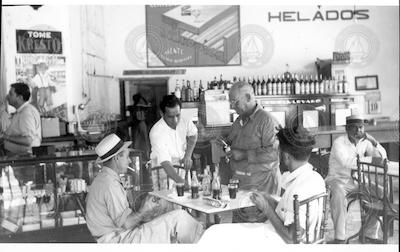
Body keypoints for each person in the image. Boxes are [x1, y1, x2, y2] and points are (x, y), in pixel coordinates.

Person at [199, 126, 326, 244]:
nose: (277, 155)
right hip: (291, 236)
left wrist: (266, 208)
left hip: (281, 241)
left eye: (279, 151)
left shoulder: (300, 189)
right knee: (218, 232)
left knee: (214, 232)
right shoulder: (315, 178)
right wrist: (269, 199)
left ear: (286, 156)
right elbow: (291, 211)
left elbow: (292, 238)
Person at [85, 133, 204, 243]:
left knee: (166, 214)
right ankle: (208, 244)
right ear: (116, 158)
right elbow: (126, 224)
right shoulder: (110, 185)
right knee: (179, 218)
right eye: (126, 157)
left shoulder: (103, 179)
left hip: (115, 236)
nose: (129, 160)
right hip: (120, 240)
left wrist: (149, 213)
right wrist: (144, 211)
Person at [325, 114, 387, 244]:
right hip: (338, 180)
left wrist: (374, 142)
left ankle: (369, 234)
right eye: (355, 128)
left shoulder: (365, 142)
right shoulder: (338, 143)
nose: (359, 131)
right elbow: (347, 162)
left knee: (379, 192)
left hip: (358, 180)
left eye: (361, 128)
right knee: (339, 195)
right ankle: (339, 238)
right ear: (347, 129)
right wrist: (369, 161)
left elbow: (382, 158)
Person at [224, 81, 279, 222]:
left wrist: (243, 154)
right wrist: (226, 144)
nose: (232, 106)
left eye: (235, 102)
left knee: (255, 230)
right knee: (239, 229)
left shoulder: (267, 121)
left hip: (260, 186)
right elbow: (233, 142)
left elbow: (274, 153)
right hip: (239, 185)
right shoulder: (238, 121)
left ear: (248, 98)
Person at [149, 95, 198, 190]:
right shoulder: (156, 132)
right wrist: (181, 182)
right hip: (163, 168)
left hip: (181, 165)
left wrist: (188, 155)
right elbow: (165, 162)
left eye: (177, 115)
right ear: (161, 114)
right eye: (170, 117)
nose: (175, 120)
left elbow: (193, 134)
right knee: (166, 201)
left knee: (184, 199)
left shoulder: (184, 121)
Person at [0, 83, 41, 155]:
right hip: (15, 156)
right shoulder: (20, 112)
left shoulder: (26, 113)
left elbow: (28, 140)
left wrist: (5, 137)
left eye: (11, 94)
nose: (7, 97)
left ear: (20, 97)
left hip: (23, 158)